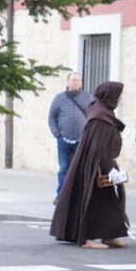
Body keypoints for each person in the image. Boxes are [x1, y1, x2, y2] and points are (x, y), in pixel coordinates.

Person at [50, 81, 129, 249]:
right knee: (90, 201)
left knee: (108, 201)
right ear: (111, 95)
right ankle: (86, 238)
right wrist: (110, 169)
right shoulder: (100, 116)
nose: (121, 97)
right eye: (119, 94)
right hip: (92, 167)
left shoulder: (102, 111)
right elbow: (97, 148)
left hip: (99, 164)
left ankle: (109, 235)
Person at [48, 72, 94, 204]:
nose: (76, 83)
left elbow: (93, 115)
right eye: (74, 80)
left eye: (78, 81)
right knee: (64, 168)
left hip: (81, 141)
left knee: (80, 169)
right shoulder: (59, 98)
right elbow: (51, 117)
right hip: (64, 141)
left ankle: (79, 197)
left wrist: (88, 135)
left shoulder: (88, 97)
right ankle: (61, 196)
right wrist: (57, 134)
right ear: (68, 82)